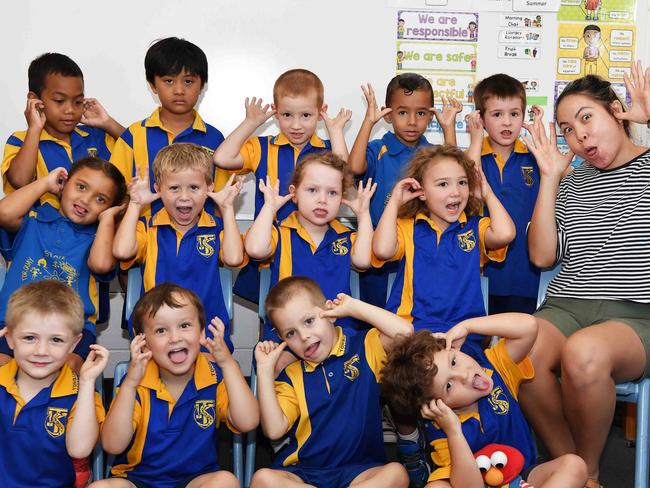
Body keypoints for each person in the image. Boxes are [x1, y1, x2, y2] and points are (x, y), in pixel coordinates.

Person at [518, 60, 650, 488]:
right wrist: (551, 178)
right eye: (567, 130)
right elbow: (541, 256)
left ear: (618, 111)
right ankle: (574, 468)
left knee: (584, 353)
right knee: (516, 351)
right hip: (565, 305)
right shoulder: (571, 182)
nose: (579, 135)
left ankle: (586, 470)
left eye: (586, 118)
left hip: (634, 315)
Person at [372, 144, 514, 486]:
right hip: (414, 334)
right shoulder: (408, 227)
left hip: (462, 339)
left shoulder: (475, 228)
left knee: (459, 383)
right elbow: (381, 249)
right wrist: (394, 201)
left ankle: (448, 453)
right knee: (402, 372)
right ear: (420, 190)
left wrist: (487, 192)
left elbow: (506, 233)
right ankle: (408, 439)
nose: (456, 192)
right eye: (443, 184)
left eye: (462, 183)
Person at [380, 313, 587, 487]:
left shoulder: (496, 368)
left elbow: (529, 326)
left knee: (574, 465)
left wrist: (468, 326)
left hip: (524, 477)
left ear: (455, 349)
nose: (463, 375)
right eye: (449, 386)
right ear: (437, 404)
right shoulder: (441, 426)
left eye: (454, 361)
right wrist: (454, 432)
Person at [251, 276, 412, 488]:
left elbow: (406, 334)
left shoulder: (364, 346)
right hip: (305, 472)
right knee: (262, 479)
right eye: (291, 333)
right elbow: (274, 430)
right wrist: (263, 371)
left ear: (330, 314)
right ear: (284, 340)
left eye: (309, 321)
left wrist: (354, 307)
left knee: (397, 474)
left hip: (361, 471)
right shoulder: (291, 375)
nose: (304, 336)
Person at [94, 283, 258, 488]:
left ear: (201, 333)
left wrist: (227, 362)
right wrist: (130, 385)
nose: (175, 337)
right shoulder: (135, 382)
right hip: (139, 479)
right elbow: (112, 444)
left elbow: (248, 422)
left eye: (184, 326)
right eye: (161, 330)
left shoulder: (214, 377)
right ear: (143, 342)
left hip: (196, 479)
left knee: (226, 481)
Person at [214, 68, 351, 303]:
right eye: (287, 115)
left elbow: (344, 173)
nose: (296, 125)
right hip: (268, 247)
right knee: (272, 315)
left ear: (320, 113)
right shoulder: (261, 147)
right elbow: (222, 158)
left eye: (306, 116)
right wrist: (250, 123)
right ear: (276, 113)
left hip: (314, 251)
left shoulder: (328, 149)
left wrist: (336, 131)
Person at [244, 151, 375, 373]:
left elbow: (363, 261)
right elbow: (255, 250)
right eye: (312, 190)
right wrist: (269, 207)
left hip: (339, 328)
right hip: (289, 330)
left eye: (332, 193)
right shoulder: (281, 232)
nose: (322, 199)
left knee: (356, 364)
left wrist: (363, 215)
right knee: (272, 363)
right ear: (294, 194)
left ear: (342, 198)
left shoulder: (345, 236)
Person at [113, 143, 245, 350]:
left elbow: (234, 258)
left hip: (207, 333)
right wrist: (135, 204)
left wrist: (227, 209)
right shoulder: (148, 228)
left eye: (194, 187)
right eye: (174, 188)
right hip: (157, 333)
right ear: (158, 189)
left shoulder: (217, 228)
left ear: (209, 188)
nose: (184, 197)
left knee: (222, 375)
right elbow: (121, 251)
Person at [0, 158, 126, 372]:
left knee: (70, 369)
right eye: (81, 187)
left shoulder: (99, 239)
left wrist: (107, 220)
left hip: (73, 328)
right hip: (13, 320)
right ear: (64, 184)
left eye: (101, 199)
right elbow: (4, 213)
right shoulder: (33, 220)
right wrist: (46, 184)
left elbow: (102, 265)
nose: (86, 200)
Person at [347, 74, 461, 308]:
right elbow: (354, 167)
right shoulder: (379, 149)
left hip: (420, 255)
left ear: (430, 116)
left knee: (415, 317)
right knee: (377, 319)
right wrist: (368, 122)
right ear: (388, 115)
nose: (412, 121)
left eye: (420, 113)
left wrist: (449, 128)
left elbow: (453, 170)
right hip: (379, 255)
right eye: (402, 112)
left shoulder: (431, 153)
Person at [0, 280, 109, 488]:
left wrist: (86, 383)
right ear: (10, 339)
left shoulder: (81, 392)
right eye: (30, 338)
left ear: (75, 344)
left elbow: (80, 450)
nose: (41, 350)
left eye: (56, 340)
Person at [110, 37, 225, 218]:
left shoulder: (215, 139)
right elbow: (114, 196)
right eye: (169, 81)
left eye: (188, 81)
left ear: (202, 85)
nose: (179, 90)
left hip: (201, 242)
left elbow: (221, 201)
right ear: (153, 85)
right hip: (143, 242)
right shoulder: (133, 136)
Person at [2, 53, 124, 208]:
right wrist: (34, 130)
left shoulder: (96, 136)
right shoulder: (21, 141)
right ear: (35, 100)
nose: (70, 110)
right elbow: (20, 181)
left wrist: (109, 123)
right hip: (41, 229)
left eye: (78, 101)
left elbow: (141, 151)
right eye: (60, 101)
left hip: (92, 231)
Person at [470, 73, 541, 314]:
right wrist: (476, 139)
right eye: (497, 114)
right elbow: (468, 188)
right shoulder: (474, 155)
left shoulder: (534, 157)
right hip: (481, 271)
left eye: (514, 114)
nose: (507, 123)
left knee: (520, 344)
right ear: (481, 118)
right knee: (480, 343)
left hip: (525, 273)